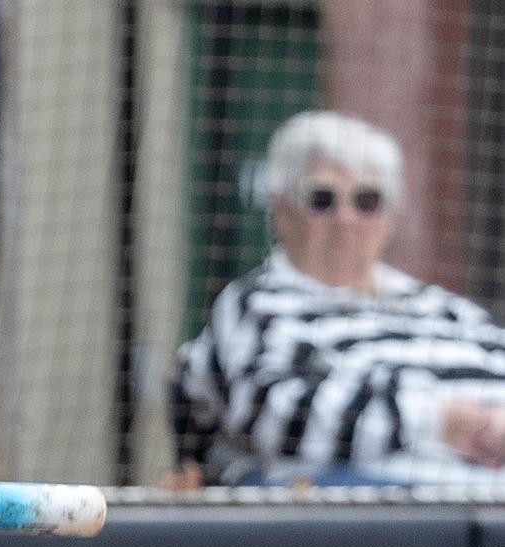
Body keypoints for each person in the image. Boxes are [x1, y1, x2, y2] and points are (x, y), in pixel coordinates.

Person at [176, 110, 505, 487]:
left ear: (390, 216)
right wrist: (441, 421)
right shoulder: (256, 306)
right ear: (282, 210)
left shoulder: (447, 312)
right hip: (366, 526)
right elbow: (279, 419)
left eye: (366, 201)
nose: (345, 219)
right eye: (322, 199)